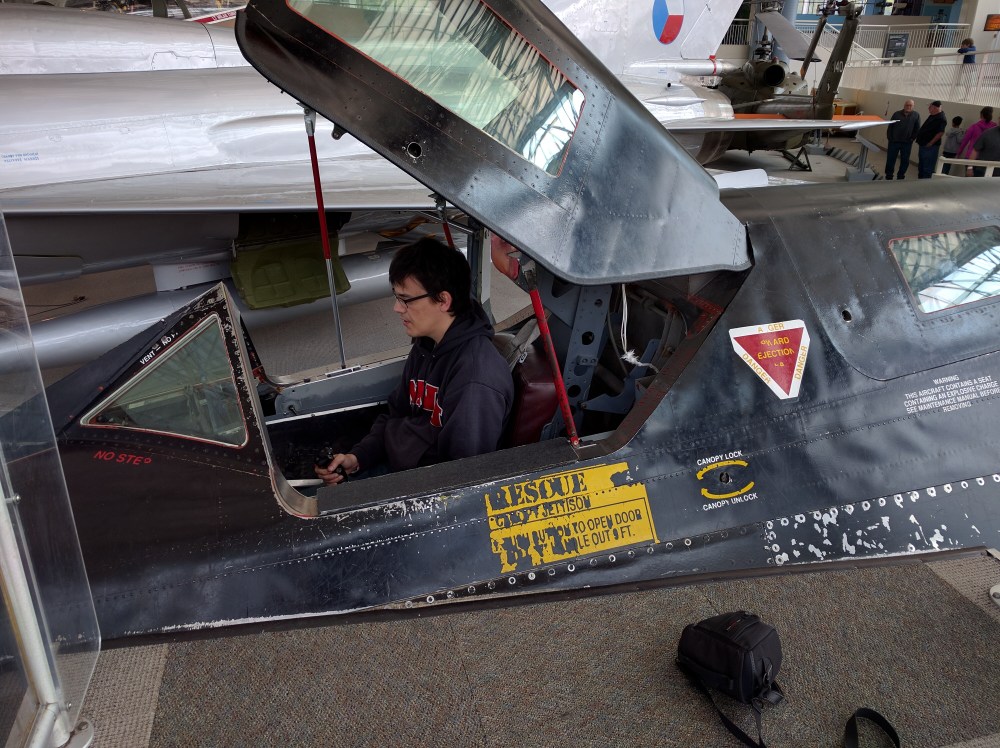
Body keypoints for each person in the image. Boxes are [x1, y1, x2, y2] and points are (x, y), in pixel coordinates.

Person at [315, 237, 514, 485]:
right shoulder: (427, 343)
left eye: (405, 299)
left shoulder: (475, 379)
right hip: (397, 460)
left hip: (421, 484)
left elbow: (461, 480)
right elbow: (395, 413)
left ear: (443, 300)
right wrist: (358, 458)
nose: (396, 309)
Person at [884, 99, 919, 180]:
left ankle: (901, 176)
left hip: (907, 143)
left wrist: (912, 139)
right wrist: (890, 138)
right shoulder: (896, 114)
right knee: (890, 159)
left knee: (905, 161)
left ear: (913, 107)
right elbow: (890, 126)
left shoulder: (916, 115)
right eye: (907, 105)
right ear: (904, 105)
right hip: (894, 142)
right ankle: (889, 176)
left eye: (910, 105)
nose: (908, 107)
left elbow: (917, 129)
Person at [959, 107, 996, 177]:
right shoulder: (994, 128)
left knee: (968, 182)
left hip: (970, 157)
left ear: (981, 115)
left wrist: (959, 153)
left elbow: (965, 141)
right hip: (985, 159)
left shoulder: (974, 126)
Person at [915, 101, 946, 179]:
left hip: (930, 147)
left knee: (927, 168)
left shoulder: (941, 118)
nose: (928, 108)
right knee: (921, 166)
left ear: (935, 108)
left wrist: (931, 143)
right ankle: (920, 181)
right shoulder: (932, 116)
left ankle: (925, 185)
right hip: (923, 144)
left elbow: (940, 133)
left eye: (930, 107)